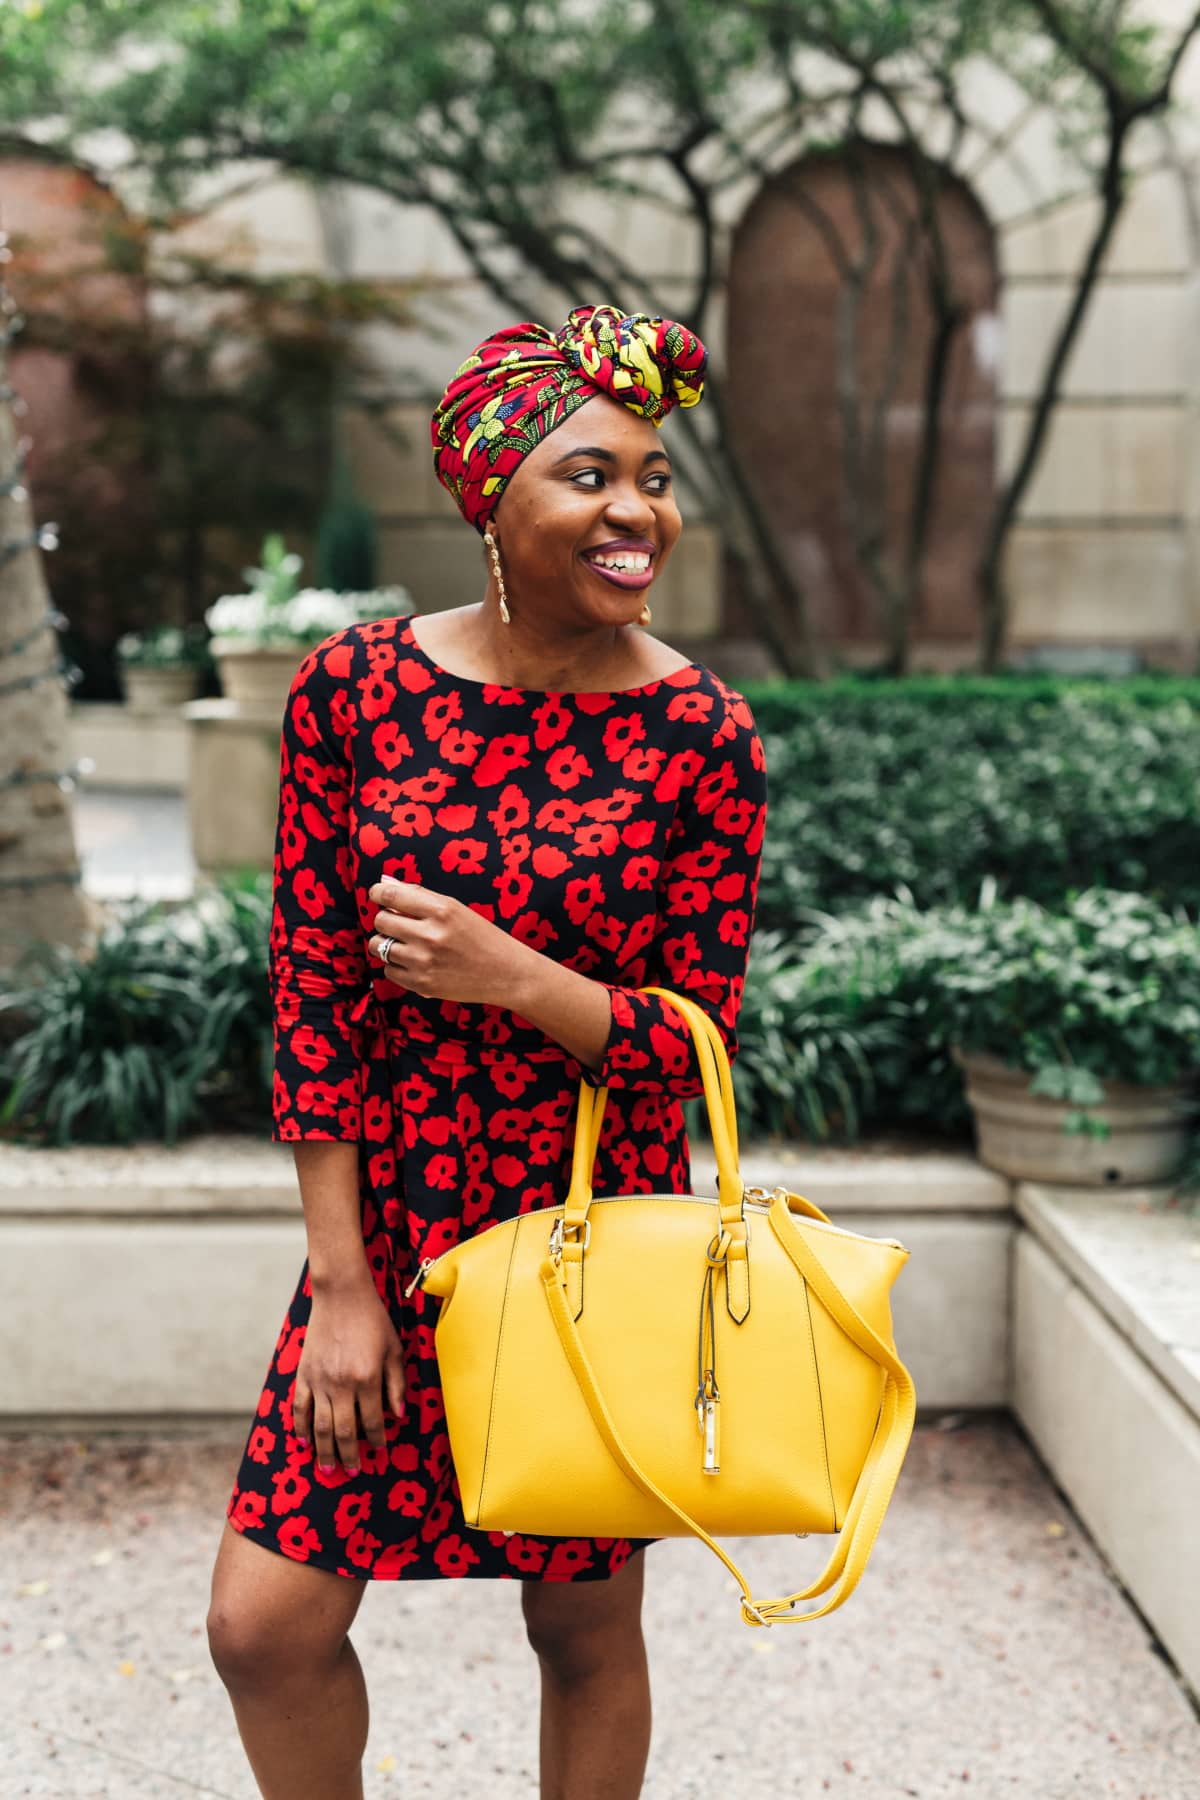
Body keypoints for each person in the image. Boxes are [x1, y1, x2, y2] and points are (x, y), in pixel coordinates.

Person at [206, 302, 769, 1800]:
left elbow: (697, 1035)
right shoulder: (358, 691)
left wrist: (522, 982)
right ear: (492, 494)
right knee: (265, 1625)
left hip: (590, 1227)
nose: (634, 509)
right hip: (391, 1222)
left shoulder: (705, 731)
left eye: (651, 476)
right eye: (589, 475)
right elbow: (313, 991)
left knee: (584, 1622)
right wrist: (341, 1282)